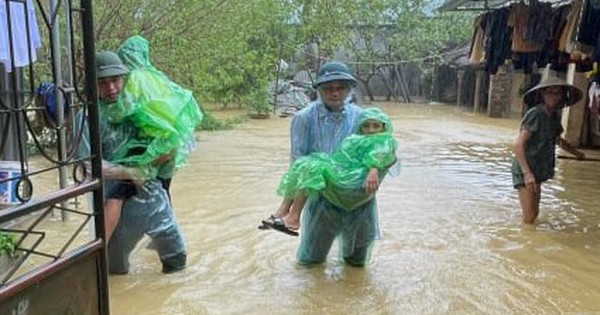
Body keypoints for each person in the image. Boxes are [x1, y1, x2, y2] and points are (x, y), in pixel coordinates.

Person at [268, 61, 394, 266]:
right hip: (323, 200)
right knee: (311, 261)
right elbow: (298, 162)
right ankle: (288, 215)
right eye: (328, 88)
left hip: (360, 197)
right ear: (319, 90)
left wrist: (377, 167)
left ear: (348, 89)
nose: (335, 93)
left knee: (357, 263)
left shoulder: (361, 118)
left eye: (340, 88)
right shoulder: (304, 118)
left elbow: (383, 147)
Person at [76, 50, 187, 274]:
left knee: (176, 259)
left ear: (125, 79)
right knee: (115, 269)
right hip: (114, 202)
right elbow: (87, 167)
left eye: (116, 80)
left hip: (153, 196)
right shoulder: (87, 117)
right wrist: (129, 172)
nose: (111, 88)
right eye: (103, 82)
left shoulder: (139, 107)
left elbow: (164, 140)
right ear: (92, 84)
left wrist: (165, 153)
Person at [101, 36, 203, 241]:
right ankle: (166, 237)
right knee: (163, 191)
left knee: (116, 195)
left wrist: (108, 114)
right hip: (170, 145)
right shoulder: (158, 77)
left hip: (152, 147)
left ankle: (100, 247)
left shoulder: (136, 79)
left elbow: (123, 111)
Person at [259, 107, 397, 236]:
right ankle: (283, 210)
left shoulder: (385, 140)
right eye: (366, 126)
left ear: (383, 127)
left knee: (312, 168)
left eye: (376, 126)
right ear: (361, 127)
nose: (371, 130)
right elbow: (341, 158)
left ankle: (294, 217)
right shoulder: (356, 139)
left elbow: (382, 155)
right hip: (345, 171)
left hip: (353, 180)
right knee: (302, 163)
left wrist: (373, 170)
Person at [512, 75, 586, 225]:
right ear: (542, 94)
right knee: (529, 217)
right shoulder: (535, 114)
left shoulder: (553, 117)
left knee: (535, 213)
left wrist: (577, 154)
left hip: (538, 169)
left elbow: (557, 139)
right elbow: (518, 144)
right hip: (525, 169)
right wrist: (527, 173)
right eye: (550, 92)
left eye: (558, 93)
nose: (555, 97)